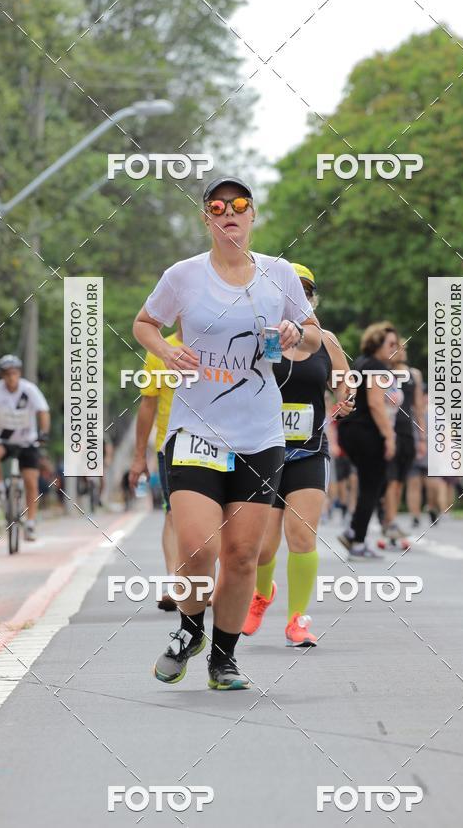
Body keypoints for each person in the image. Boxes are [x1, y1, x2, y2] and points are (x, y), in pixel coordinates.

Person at [133, 175, 321, 690]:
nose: (229, 213)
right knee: (198, 548)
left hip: (260, 435)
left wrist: (293, 333)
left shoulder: (279, 274)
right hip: (196, 429)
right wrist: (168, 351)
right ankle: (191, 627)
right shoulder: (184, 276)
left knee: (243, 555)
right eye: (218, 207)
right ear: (207, 220)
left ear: (253, 215)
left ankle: (223, 658)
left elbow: (309, 340)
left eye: (239, 205)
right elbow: (144, 322)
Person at [241, 264, 353, 646]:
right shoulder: (269, 337)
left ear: (312, 298)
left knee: (302, 537)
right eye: (291, 291)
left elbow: (342, 376)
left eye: (305, 291)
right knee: (262, 546)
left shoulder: (325, 340)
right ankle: (260, 595)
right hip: (266, 450)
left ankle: (297, 621)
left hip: (309, 450)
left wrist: (344, 394)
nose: (298, 297)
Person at [129, 324, 184, 612]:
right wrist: (139, 456)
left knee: (215, 518)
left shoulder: (221, 346)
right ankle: (175, 582)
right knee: (174, 514)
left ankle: (207, 583)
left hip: (218, 445)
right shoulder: (159, 351)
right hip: (171, 447)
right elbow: (148, 405)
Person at [337, 322, 402, 559]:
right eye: (391, 344)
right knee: (371, 486)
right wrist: (389, 436)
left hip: (352, 430)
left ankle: (353, 530)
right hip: (366, 432)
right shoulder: (377, 367)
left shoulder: (361, 363)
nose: (395, 349)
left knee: (373, 483)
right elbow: (376, 403)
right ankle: (358, 542)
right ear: (377, 344)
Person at [0, 354, 50, 541]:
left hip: (28, 441)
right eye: (7, 374)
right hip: (4, 441)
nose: (11, 377)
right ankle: (0, 488)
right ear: (2, 375)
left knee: (30, 481)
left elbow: (43, 411)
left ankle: (30, 523)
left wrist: (43, 433)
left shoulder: (29, 389)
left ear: (19, 373)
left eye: (14, 373)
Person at [381, 339, 425, 540]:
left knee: (399, 481)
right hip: (389, 429)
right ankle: (390, 521)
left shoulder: (413, 374)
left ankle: (390, 519)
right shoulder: (382, 373)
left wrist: (422, 437)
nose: (403, 351)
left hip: (407, 431)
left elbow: (418, 408)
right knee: (390, 479)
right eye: (399, 348)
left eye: (404, 348)